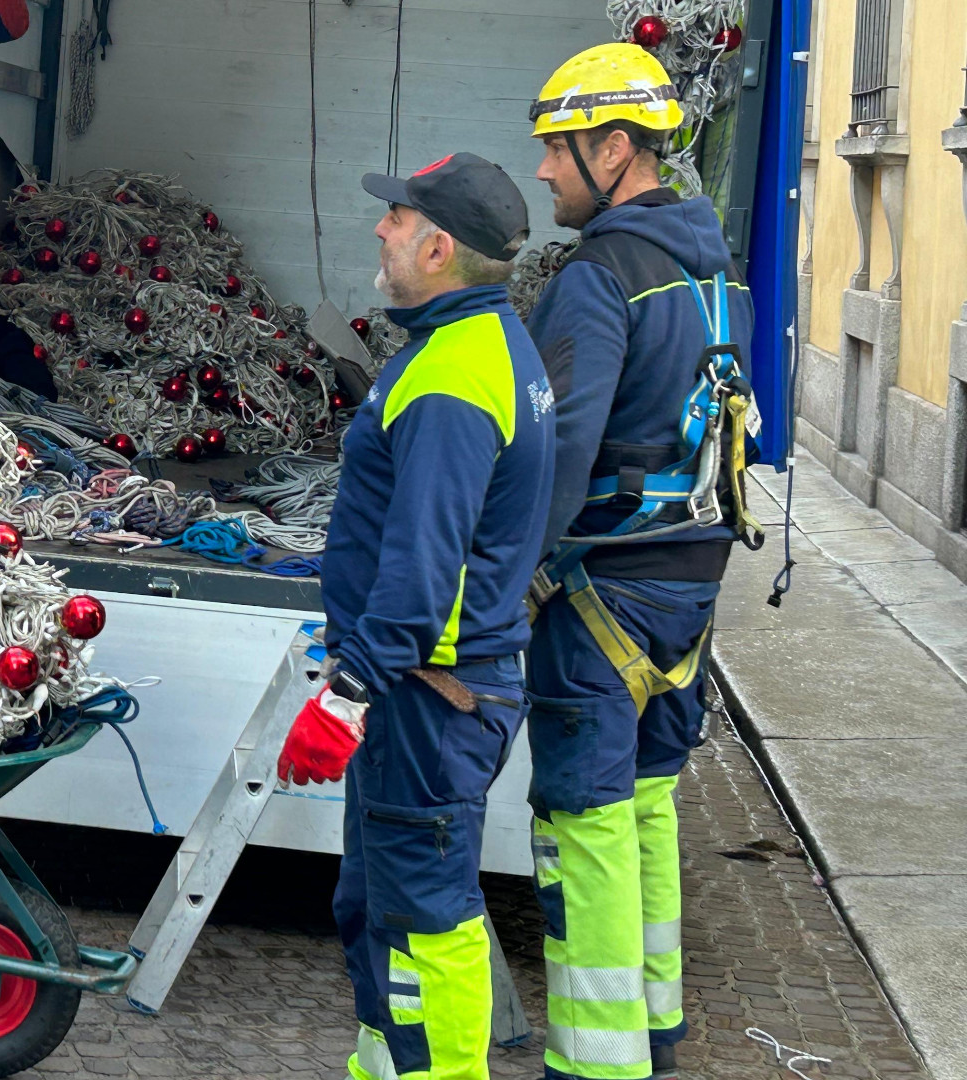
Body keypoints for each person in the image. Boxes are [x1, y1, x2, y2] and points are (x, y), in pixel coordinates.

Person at [279, 152, 555, 1080]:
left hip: (429, 699)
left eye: (395, 219)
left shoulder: (451, 379)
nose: (380, 230)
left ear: (438, 247)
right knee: (385, 902)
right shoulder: (482, 347)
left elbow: (425, 560)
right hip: (434, 692)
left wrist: (353, 687)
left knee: (423, 913)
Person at [521, 42, 760, 1080]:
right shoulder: (716, 267)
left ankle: (600, 1063)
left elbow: (560, 448)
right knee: (650, 796)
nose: (543, 172)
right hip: (689, 588)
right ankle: (655, 1028)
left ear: (616, 149)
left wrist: (504, 577)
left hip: (601, 590)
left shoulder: (601, 277)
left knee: (583, 823)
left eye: (557, 150)